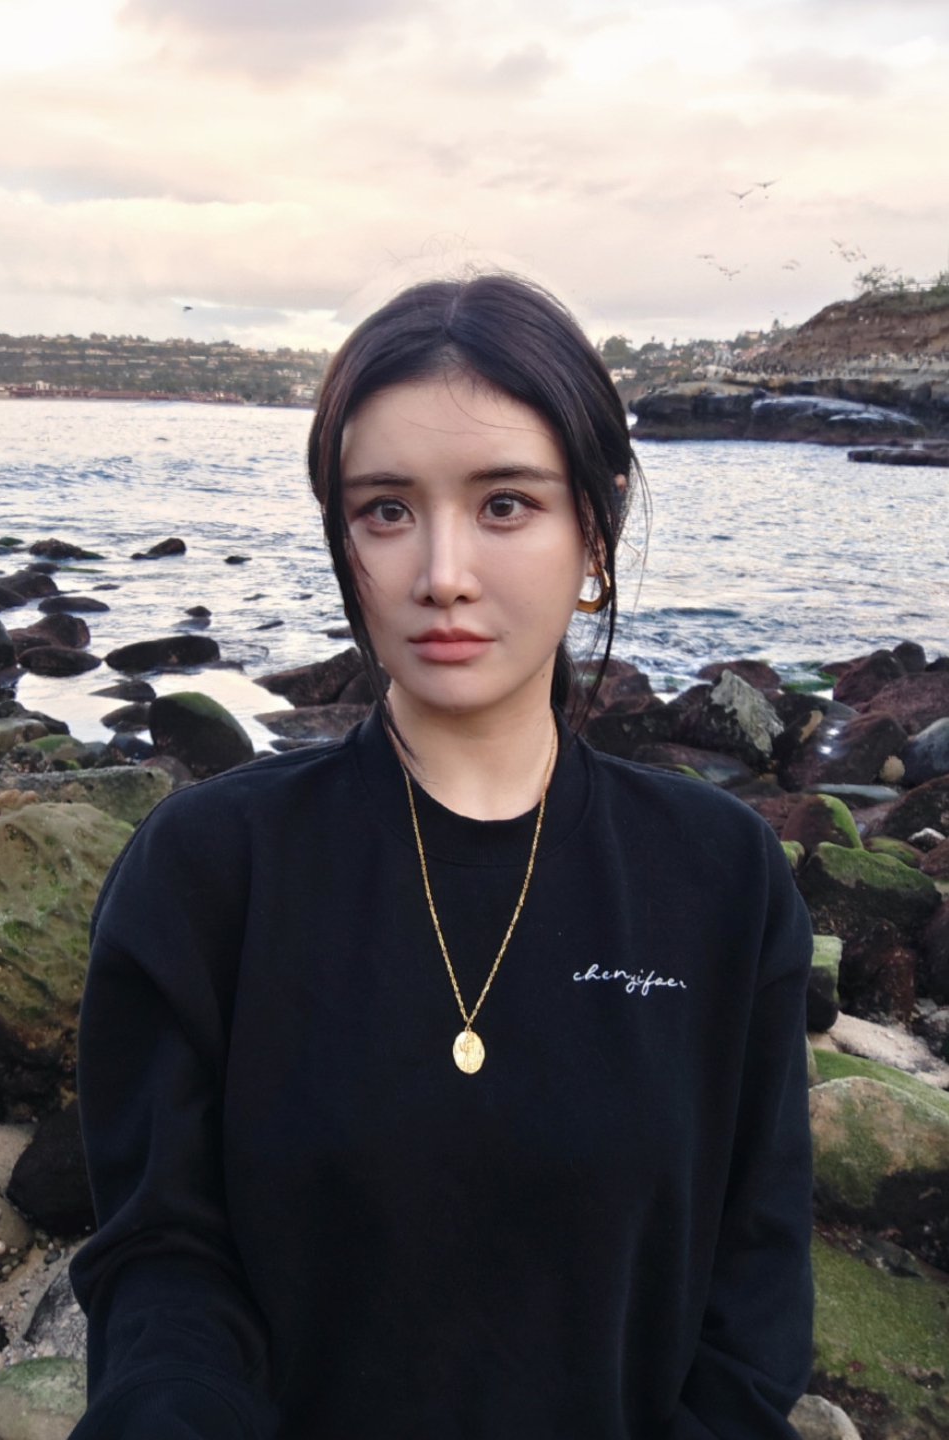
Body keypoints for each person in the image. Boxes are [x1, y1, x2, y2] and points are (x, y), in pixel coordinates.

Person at [69, 273, 814, 1440]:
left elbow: (754, 1289)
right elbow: (161, 1258)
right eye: (386, 510)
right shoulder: (207, 870)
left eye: (505, 504)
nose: (442, 573)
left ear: (595, 533)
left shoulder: (722, 879)